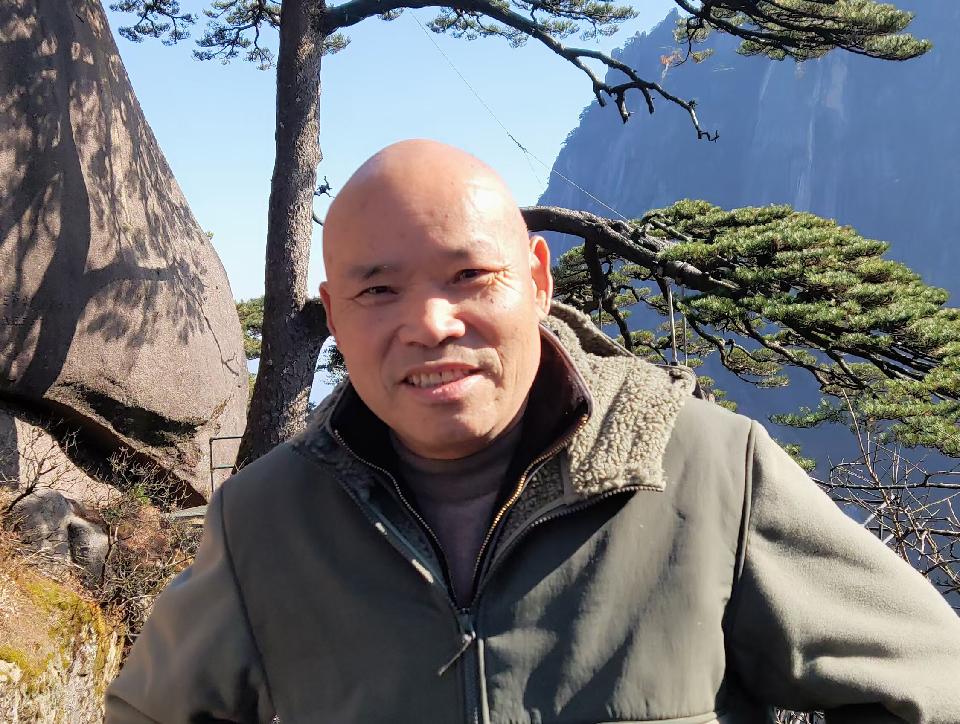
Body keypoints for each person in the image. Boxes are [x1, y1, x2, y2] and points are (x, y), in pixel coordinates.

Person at [106, 140, 960, 724]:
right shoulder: (265, 522)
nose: (431, 323)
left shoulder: (711, 473)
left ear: (538, 279)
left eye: (470, 275)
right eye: (378, 291)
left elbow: (933, 683)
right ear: (333, 314)